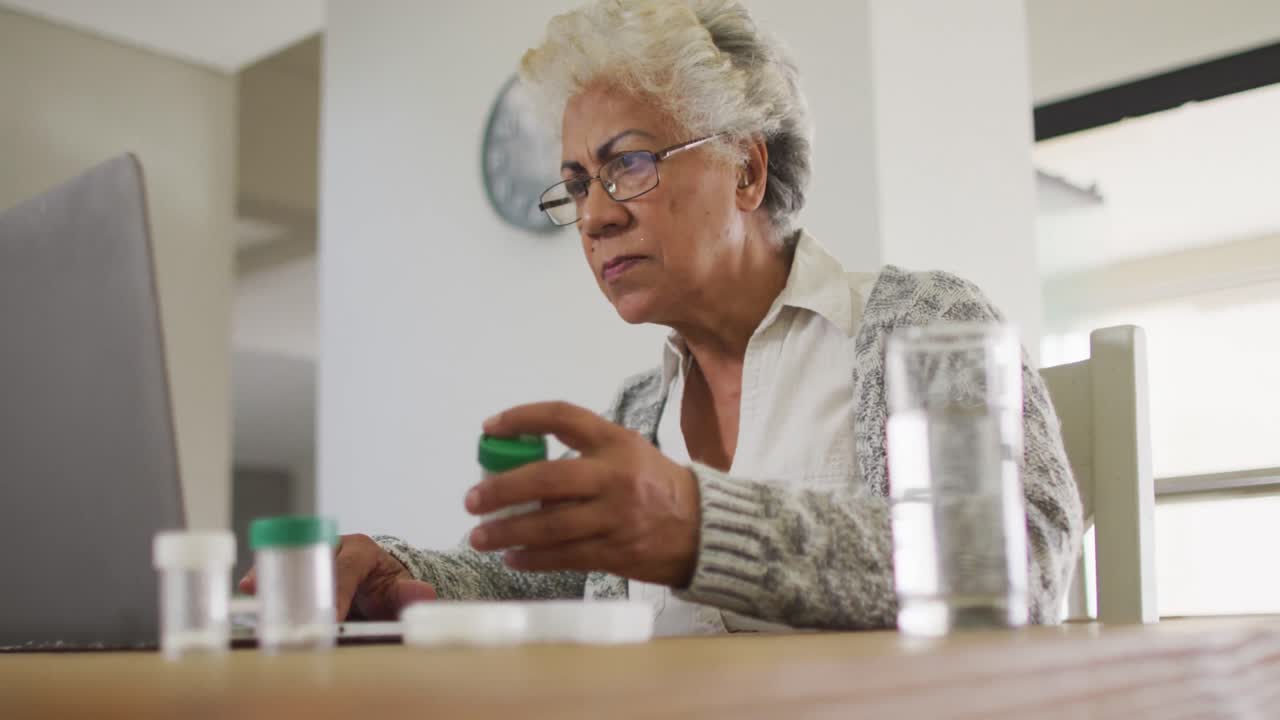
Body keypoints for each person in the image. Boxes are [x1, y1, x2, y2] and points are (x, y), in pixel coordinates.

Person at [241, 0, 1082, 635]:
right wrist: (401, 572)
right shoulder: (638, 412)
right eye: (577, 184)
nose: (598, 216)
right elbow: (559, 585)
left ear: (747, 171)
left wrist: (699, 525)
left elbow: (1018, 568)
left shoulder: (925, 323)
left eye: (629, 164)